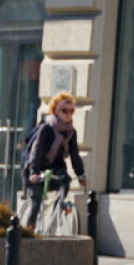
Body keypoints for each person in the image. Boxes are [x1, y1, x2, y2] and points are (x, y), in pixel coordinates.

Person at [22, 91, 87, 229]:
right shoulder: (46, 128)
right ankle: (26, 235)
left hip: (55, 168)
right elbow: (36, 151)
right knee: (36, 203)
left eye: (71, 111)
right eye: (64, 110)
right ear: (56, 111)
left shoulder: (71, 132)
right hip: (36, 168)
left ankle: (58, 211)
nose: (68, 114)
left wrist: (80, 174)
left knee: (66, 179)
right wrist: (33, 172)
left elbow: (74, 154)